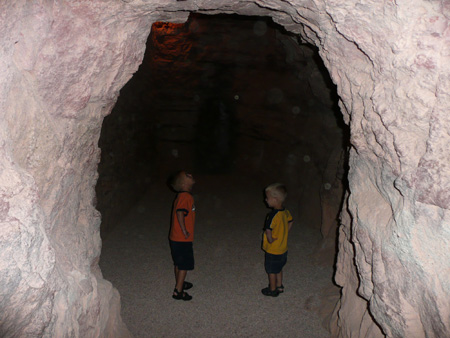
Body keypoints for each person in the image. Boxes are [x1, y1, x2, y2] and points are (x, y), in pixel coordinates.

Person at [261, 183, 293, 297]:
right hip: (283, 249)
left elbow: (268, 230)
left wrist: (270, 239)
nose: (266, 200)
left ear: (275, 200)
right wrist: (286, 232)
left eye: (267, 198)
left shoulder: (272, 216)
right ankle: (280, 286)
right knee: (279, 268)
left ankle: (272, 289)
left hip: (273, 250)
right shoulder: (285, 212)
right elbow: (291, 221)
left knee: (271, 270)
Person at [168, 170, 196, 301]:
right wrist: (184, 230)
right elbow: (180, 213)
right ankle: (178, 291)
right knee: (184, 264)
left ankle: (180, 282)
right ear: (184, 183)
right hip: (182, 238)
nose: (191, 175)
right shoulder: (186, 197)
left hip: (175, 237)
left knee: (178, 262)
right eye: (188, 175)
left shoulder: (182, 196)